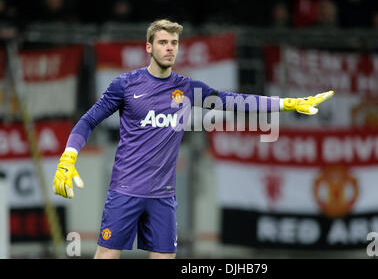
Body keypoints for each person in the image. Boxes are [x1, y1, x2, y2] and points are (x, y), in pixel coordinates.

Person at [52, 19, 333, 259]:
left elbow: (234, 101)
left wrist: (287, 104)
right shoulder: (125, 85)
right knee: (106, 255)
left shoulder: (187, 89)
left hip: (163, 197)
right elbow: (88, 120)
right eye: (163, 42)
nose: (169, 47)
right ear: (149, 48)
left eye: (174, 42)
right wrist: (69, 156)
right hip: (125, 191)